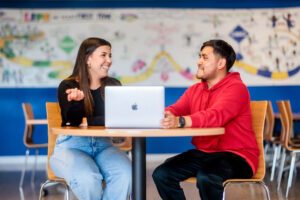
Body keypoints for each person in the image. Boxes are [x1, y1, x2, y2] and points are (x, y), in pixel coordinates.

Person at [152, 39, 258, 200]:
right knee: (162, 174)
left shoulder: (237, 88)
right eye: (200, 57)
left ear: (221, 63)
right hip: (204, 154)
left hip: (237, 156)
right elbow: (176, 109)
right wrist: (166, 115)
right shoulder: (195, 89)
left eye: (205, 57)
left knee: (207, 177)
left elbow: (216, 116)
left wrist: (180, 121)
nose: (199, 61)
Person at [50, 37, 132, 200]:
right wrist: (77, 103)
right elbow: (71, 122)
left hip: (104, 146)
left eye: (110, 55)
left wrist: (87, 121)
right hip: (71, 147)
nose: (109, 60)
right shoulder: (68, 86)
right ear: (88, 59)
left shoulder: (113, 85)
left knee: (126, 174)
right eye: (104, 55)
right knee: (88, 179)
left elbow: (118, 118)